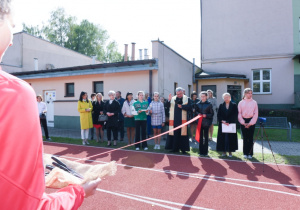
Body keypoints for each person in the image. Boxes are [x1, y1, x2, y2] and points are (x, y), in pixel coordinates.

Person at [0, 1, 100, 208]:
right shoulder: (15, 93)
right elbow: (28, 205)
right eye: (12, 26)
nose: (12, 42)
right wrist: (77, 192)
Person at [165, 87, 191, 154]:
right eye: (177, 94)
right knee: (175, 135)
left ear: (183, 92)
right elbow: (167, 106)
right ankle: (174, 148)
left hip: (183, 120)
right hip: (174, 120)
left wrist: (182, 106)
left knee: (183, 135)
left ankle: (183, 149)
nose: (179, 95)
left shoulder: (187, 99)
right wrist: (168, 100)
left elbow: (190, 107)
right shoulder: (173, 98)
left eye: (180, 94)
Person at [238, 88, 258, 159]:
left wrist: (250, 123)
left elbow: (256, 114)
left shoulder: (254, 102)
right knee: (245, 138)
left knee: (250, 138)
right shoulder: (240, 102)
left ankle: (250, 153)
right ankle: (245, 153)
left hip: (251, 121)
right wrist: (243, 123)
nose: (250, 94)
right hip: (243, 121)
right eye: (249, 93)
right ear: (245, 94)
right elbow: (239, 113)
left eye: (251, 93)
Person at [216, 93, 238, 157]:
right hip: (223, 124)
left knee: (230, 138)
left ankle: (230, 152)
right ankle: (224, 152)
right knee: (223, 138)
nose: (226, 98)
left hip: (231, 124)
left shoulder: (234, 105)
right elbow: (218, 115)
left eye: (227, 97)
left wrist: (229, 121)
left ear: (230, 97)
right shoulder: (221, 105)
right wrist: (222, 121)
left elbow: (235, 115)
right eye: (225, 97)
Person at [195, 91, 214, 156]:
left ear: (206, 97)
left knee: (206, 137)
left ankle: (205, 152)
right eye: (201, 96)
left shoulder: (209, 104)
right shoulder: (197, 104)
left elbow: (211, 114)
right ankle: (201, 151)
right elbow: (195, 112)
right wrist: (198, 114)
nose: (202, 98)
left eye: (204, 96)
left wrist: (205, 115)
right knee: (200, 137)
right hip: (200, 123)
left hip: (206, 123)